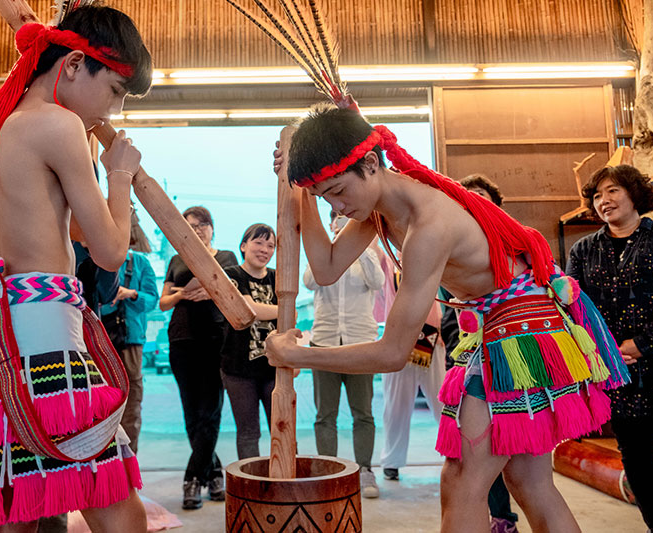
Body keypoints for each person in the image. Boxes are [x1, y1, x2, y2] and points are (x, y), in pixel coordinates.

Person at [266, 105, 629, 533]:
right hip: (513, 326)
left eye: (339, 191)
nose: (338, 206)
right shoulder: (381, 209)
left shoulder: (428, 224)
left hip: (519, 330)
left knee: (463, 483)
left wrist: (299, 354)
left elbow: (392, 352)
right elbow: (326, 268)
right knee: (529, 482)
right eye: (326, 195)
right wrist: (298, 190)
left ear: (369, 164)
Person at [0, 5, 152, 532]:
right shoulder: (60, 125)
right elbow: (111, 252)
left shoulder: (10, 122)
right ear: (70, 66)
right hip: (46, 331)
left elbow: (71, 231)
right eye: (115, 89)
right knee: (112, 498)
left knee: (17, 502)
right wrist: (119, 176)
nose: (112, 110)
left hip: (10, 326)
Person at [567, 165, 653, 533]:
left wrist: (641, 345)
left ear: (634, 194)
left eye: (612, 191)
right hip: (618, 372)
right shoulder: (583, 249)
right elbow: (574, 307)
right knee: (638, 462)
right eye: (597, 196)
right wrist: (605, 349)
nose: (604, 201)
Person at [447, 174, 519, 533]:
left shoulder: (518, 243)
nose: (474, 202)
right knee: (530, 484)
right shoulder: (454, 246)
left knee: (464, 481)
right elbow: (451, 318)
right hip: (479, 359)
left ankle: (502, 518)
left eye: (481, 197)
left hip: (511, 360)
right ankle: (500, 518)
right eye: (467, 197)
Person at [160, 205, 237, 510]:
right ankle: (215, 474)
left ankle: (192, 477)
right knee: (192, 413)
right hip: (181, 340)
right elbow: (164, 301)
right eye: (191, 225)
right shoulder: (176, 260)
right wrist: (182, 294)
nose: (198, 230)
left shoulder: (227, 257)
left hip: (217, 340)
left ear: (212, 228)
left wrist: (210, 290)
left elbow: (232, 292)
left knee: (211, 410)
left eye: (203, 225)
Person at [304, 213, 384, 498]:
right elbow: (310, 281)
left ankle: (364, 470)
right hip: (324, 342)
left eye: (347, 222)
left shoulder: (370, 253)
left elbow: (377, 281)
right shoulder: (321, 252)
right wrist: (332, 245)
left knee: (363, 413)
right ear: (330, 225)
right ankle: (329, 471)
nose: (342, 225)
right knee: (325, 414)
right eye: (337, 221)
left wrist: (358, 248)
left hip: (360, 343)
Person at [377, 250, 445, 485]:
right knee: (395, 404)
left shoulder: (431, 254)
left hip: (430, 336)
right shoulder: (387, 259)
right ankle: (391, 462)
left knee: (442, 401)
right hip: (397, 337)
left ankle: (454, 451)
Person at [100, 213, 159, 454]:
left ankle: (129, 463)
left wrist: (131, 294)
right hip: (100, 341)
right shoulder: (96, 259)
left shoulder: (140, 264)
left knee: (132, 404)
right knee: (101, 402)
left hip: (131, 341)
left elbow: (152, 300)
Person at [220, 223, 278, 461]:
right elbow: (248, 310)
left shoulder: (278, 277)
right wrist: (284, 309)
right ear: (244, 245)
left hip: (274, 368)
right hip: (238, 369)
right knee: (248, 432)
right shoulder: (232, 274)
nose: (264, 249)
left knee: (282, 429)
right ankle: (251, 489)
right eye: (258, 242)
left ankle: (285, 483)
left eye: (271, 245)